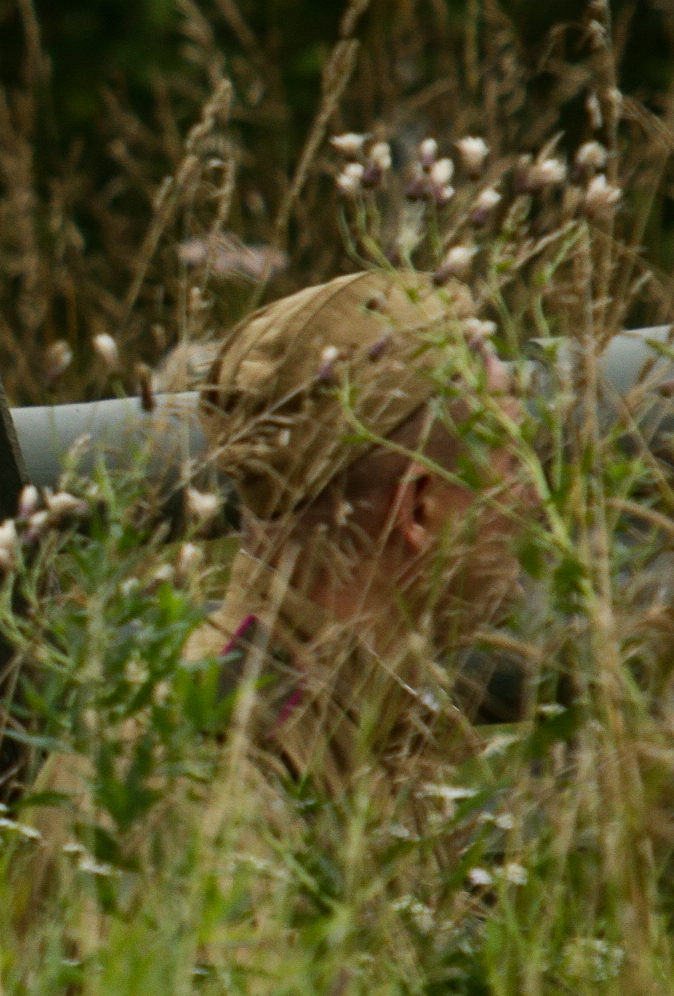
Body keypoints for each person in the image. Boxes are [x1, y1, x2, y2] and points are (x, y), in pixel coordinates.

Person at [189, 268, 534, 789]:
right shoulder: (215, 774)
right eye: (512, 466)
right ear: (419, 510)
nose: (533, 500)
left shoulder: (351, 713)